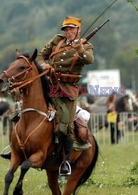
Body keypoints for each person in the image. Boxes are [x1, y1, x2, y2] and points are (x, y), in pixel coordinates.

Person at [36, 16, 94, 175]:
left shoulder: (86, 46)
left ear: (78, 30)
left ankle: (65, 161)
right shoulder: (57, 40)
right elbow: (40, 56)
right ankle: (17, 149)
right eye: (66, 29)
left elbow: (89, 60)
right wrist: (45, 65)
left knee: (65, 127)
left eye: (71, 29)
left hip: (67, 90)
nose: (68, 32)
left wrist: (79, 48)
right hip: (49, 85)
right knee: (25, 108)